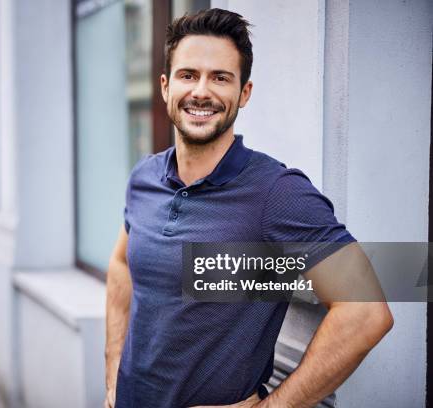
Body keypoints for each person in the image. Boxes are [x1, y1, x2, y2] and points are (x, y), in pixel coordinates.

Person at [104, 8, 393, 408]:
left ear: (244, 93)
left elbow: (366, 313)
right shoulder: (144, 179)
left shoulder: (277, 192)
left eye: (220, 77)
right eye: (189, 75)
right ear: (166, 87)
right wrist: (113, 370)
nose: (201, 91)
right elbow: (121, 264)